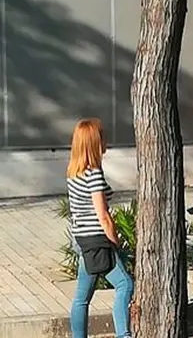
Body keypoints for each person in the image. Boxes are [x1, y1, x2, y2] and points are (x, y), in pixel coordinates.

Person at [66, 118, 133, 338]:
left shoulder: (74, 173)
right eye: (102, 137)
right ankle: (124, 335)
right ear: (94, 143)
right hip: (97, 242)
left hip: (82, 242)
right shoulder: (93, 175)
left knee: (82, 297)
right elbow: (103, 216)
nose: (106, 141)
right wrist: (116, 243)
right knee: (125, 285)